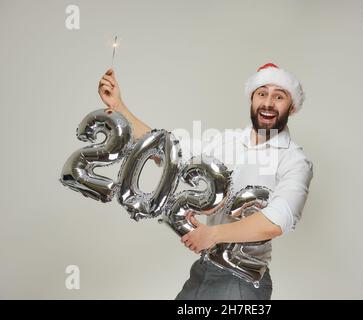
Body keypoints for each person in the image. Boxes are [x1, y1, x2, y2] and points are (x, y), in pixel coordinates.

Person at [98, 62, 314, 300]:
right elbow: (166, 150)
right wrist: (119, 107)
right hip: (205, 269)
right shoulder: (225, 142)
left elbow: (276, 221)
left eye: (279, 96)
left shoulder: (294, 160)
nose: (269, 103)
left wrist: (212, 234)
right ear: (252, 100)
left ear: (291, 107)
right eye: (262, 94)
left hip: (242, 278)